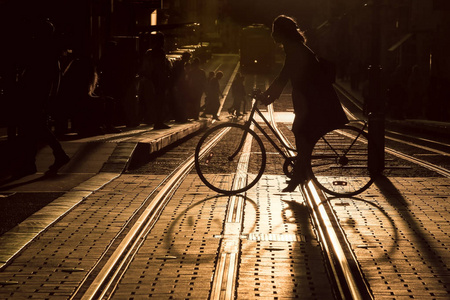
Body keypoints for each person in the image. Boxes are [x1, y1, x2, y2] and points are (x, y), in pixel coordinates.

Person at [259, 15, 348, 192]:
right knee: (302, 135)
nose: (273, 34)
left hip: (315, 100)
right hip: (309, 99)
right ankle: (302, 173)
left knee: (303, 135)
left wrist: (268, 96)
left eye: (275, 30)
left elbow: (284, 76)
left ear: (283, 33)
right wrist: (269, 95)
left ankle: (300, 175)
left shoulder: (295, 50)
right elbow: (284, 76)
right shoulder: (295, 48)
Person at [14, 19, 70, 178]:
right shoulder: (50, 50)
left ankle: (55, 155)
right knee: (34, 127)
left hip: (35, 93)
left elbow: (44, 75)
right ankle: (33, 162)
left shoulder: (42, 49)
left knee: (34, 126)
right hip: (39, 93)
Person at [140, 32, 171, 129]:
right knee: (159, 102)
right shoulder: (160, 52)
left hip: (151, 79)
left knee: (153, 101)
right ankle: (158, 122)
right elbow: (160, 68)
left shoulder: (150, 52)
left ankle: (155, 120)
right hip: (158, 80)